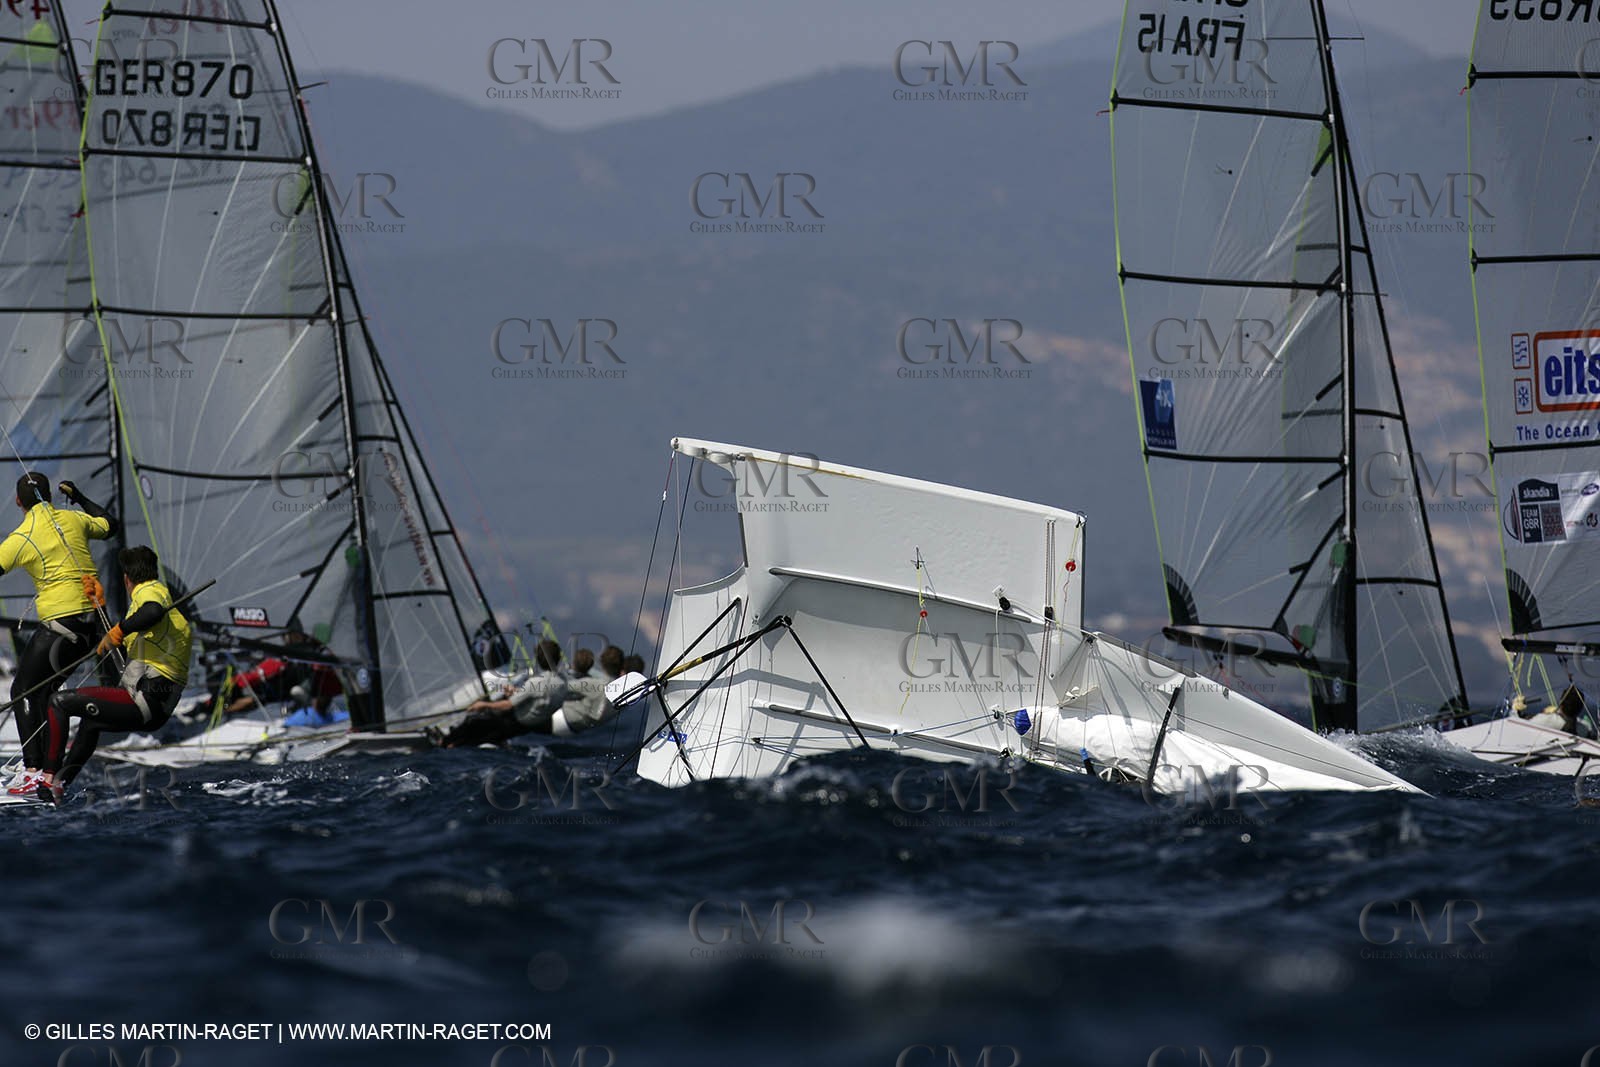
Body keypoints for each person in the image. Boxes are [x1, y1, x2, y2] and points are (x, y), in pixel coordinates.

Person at [32, 546, 191, 802]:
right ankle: (58, 786)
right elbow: (113, 644)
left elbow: (150, 613)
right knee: (90, 723)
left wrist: (121, 628)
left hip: (146, 700)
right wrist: (100, 606)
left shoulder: (151, 592)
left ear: (127, 578)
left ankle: (46, 779)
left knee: (58, 702)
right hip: (151, 705)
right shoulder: (153, 600)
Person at [0, 474, 118, 795]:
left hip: (62, 626)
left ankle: (34, 771)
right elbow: (110, 525)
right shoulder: (74, 518)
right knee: (48, 691)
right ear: (50, 495)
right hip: (94, 626)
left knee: (24, 691)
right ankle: (51, 776)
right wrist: (78, 495)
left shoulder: (22, 536)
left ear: (18, 502)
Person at [429, 639, 568, 748]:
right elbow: (540, 696)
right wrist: (516, 692)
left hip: (516, 723)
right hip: (531, 724)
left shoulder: (536, 682)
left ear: (538, 659)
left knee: (475, 720)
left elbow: (507, 705)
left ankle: (444, 742)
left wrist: (482, 705)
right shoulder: (562, 681)